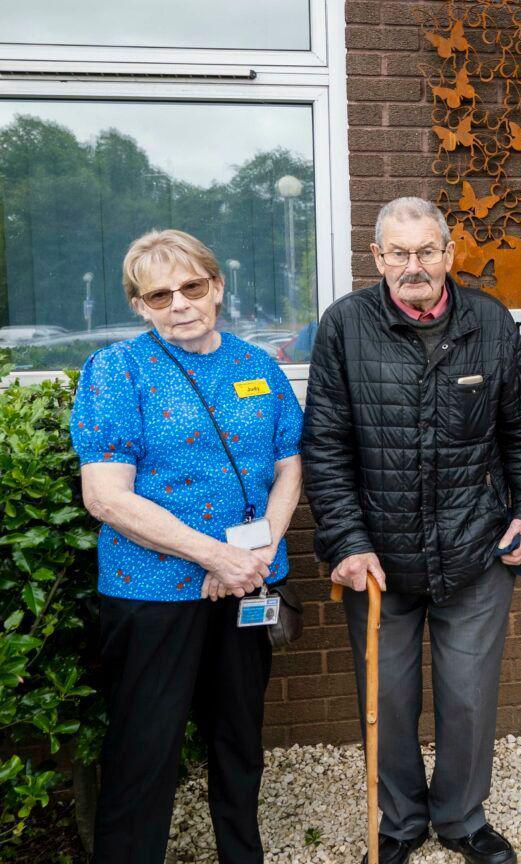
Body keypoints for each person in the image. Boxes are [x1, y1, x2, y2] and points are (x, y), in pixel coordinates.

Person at [302, 197, 521, 864]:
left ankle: (463, 818)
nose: (414, 266)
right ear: (377, 257)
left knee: (469, 698)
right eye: (398, 253)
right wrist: (348, 541)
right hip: (377, 557)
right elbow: (324, 447)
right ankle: (399, 820)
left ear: (449, 254)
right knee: (387, 696)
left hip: (476, 547)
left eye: (427, 251)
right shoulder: (344, 327)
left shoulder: (490, 324)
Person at [73, 229, 303, 863]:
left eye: (191, 287)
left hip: (244, 586)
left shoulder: (257, 367)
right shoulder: (116, 371)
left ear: (217, 287)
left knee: (239, 741)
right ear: (140, 305)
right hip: (152, 593)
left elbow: (289, 464)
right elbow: (106, 497)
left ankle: (240, 855)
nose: (179, 303)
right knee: (145, 749)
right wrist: (214, 556)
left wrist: (253, 557)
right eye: (159, 294)